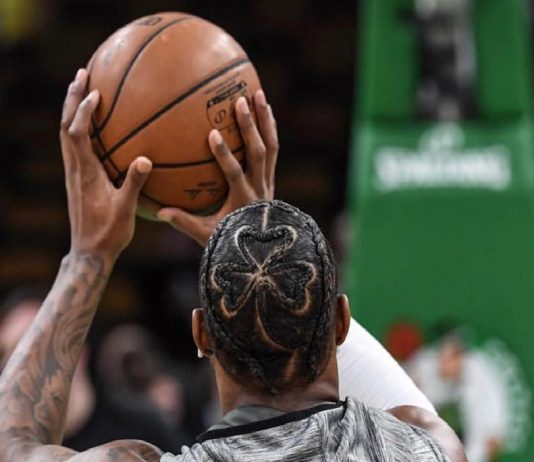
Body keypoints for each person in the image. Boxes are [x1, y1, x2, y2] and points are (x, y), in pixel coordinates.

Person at [0, 68, 466, 461]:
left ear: (201, 334)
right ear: (341, 321)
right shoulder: (421, 447)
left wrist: (88, 256)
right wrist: (260, 227)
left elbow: (12, 446)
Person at [0, 288, 183, 453]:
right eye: (9, 354)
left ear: (78, 351)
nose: (19, 365)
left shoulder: (143, 428)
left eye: (35, 348)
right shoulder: (9, 447)